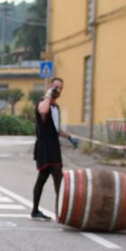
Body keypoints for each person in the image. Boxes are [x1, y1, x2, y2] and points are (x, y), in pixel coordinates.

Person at [30, 76, 77, 220]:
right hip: (44, 147)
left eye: (61, 88)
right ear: (50, 87)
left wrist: (69, 137)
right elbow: (43, 111)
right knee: (50, 178)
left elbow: (55, 129)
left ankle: (58, 211)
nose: (59, 90)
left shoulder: (56, 107)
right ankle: (52, 211)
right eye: (56, 87)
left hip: (54, 146)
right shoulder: (44, 103)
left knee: (56, 178)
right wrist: (48, 95)